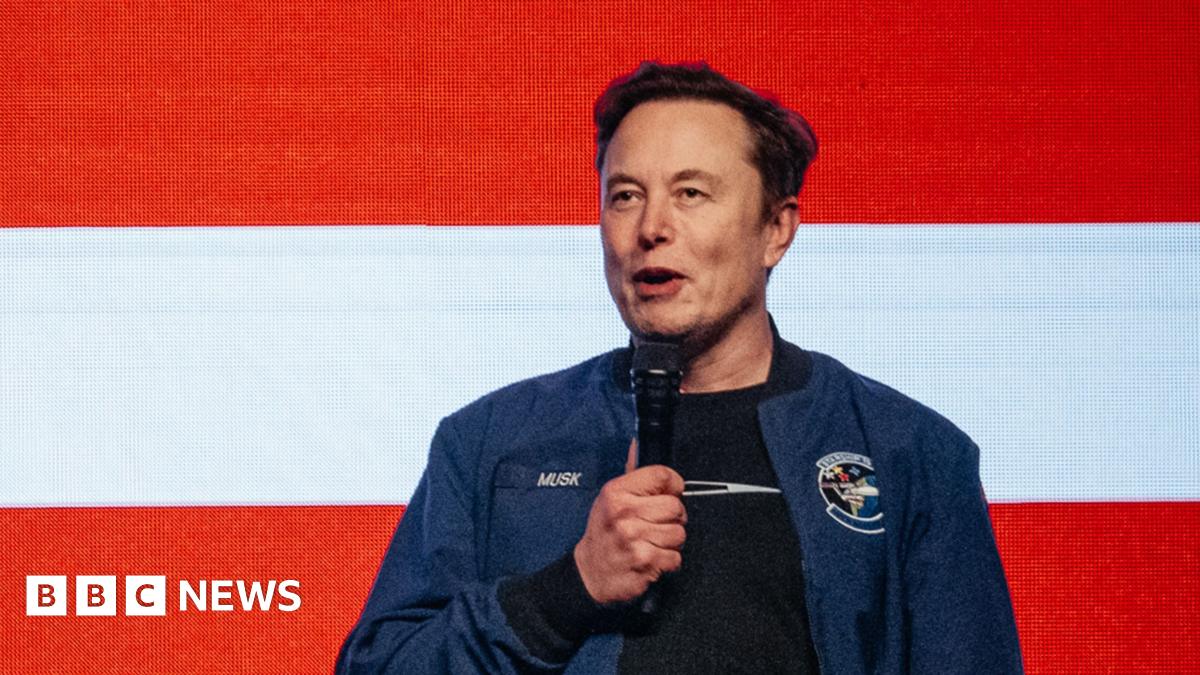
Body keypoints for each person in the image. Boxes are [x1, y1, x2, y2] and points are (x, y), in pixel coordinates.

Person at [336, 62, 1023, 674]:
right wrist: (567, 591)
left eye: (691, 193)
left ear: (776, 230)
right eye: (625, 195)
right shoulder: (488, 440)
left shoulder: (912, 452)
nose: (651, 228)